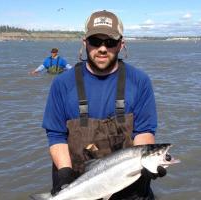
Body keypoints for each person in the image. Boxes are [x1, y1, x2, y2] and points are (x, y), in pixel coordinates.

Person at [42, 10, 167, 199]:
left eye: (110, 42)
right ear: (84, 43)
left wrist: (145, 162)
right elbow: (56, 135)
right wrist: (64, 176)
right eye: (95, 41)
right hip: (77, 185)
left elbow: (144, 131)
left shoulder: (140, 81)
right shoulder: (62, 84)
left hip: (130, 186)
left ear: (121, 45)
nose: (102, 48)